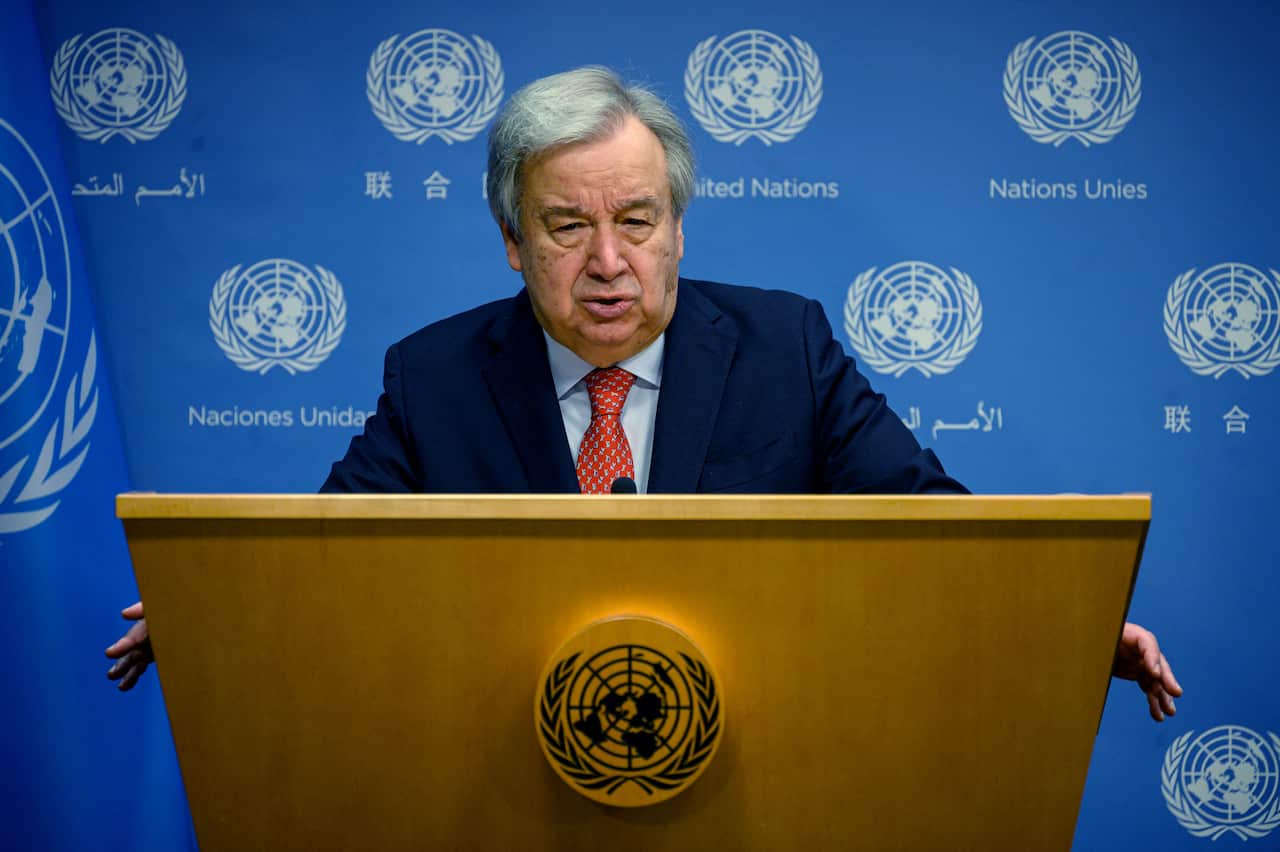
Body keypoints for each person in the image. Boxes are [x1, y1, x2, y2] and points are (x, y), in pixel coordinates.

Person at [108, 66, 1182, 721]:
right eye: (568, 227)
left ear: (679, 229)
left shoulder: (784, 346)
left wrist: (1068, 625)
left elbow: (926, 529)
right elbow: (333, 552)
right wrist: (219, 610)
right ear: (512, 245)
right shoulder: (432, 374)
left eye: (635, 220)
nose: (608, 261)